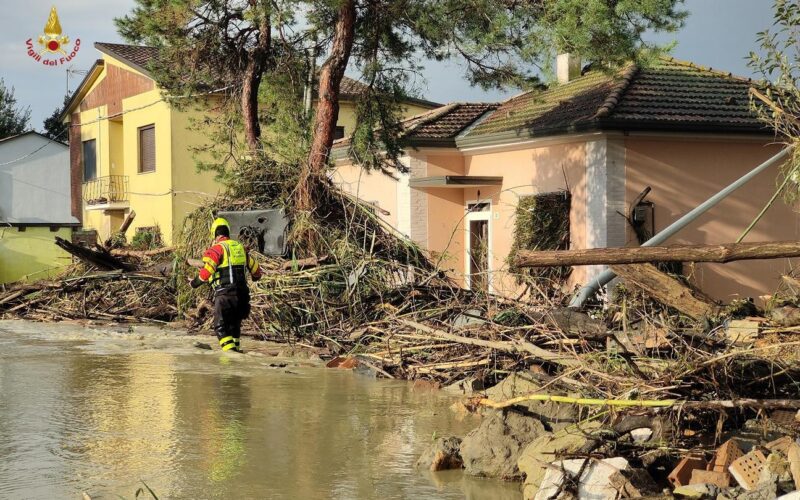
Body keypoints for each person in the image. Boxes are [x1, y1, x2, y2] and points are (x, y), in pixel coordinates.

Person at [190, 217, 262, 352]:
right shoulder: (240, 248)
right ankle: (236, 357)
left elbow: (206, 273)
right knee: (234, 327)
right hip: (242, 296)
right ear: (228, 232)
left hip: (225, 295)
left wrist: (193, 283)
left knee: (220, 327)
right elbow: (257, 273)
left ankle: (231, 359)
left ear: (214, 234)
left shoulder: (216, 249)